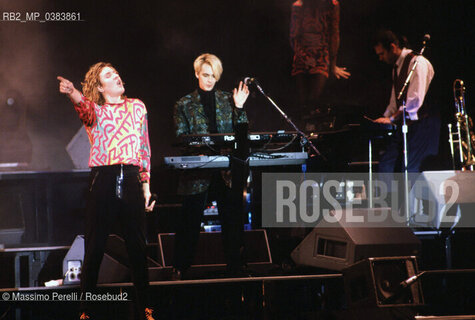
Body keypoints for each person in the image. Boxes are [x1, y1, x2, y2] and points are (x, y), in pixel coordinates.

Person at [57, 62, 156, 320]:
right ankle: (86, 311)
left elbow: (144, 148)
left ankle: (146, 308)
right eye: (109, 76)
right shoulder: (96, 112)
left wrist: (146, 186)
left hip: (132, 179)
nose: (117, 77)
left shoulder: (137, 106)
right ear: (101, 87)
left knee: (137, 248)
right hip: (104, 180)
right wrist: (71, 92)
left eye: (116, 73)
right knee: (95, 248)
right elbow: (84, 106)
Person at [172, 53, 250, 279]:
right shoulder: (184, 104)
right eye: (206, 75)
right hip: (198, 173)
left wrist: (239, 107)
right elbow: (181, 137)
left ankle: (236, 268)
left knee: (233, 221)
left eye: (214, 76)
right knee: (189, 223)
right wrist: (203, 148)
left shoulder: (229, 99)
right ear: (197, 73)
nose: (209, 80)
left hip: (225, 172)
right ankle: (180, 269)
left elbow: (242, 134)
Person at [373, 30, 440, 174]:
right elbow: (394, 101)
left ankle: (405, 196)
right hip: (406, 125)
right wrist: (384, 119)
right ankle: (389, 196)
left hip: (423, 124)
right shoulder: (397, 68)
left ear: (392, 47)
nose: (380, 58)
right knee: (386, 165)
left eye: (381, 54)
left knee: (411, 170)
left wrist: (390, 119)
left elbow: (414, 102)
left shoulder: (417, 62)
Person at [290, 0, 350, 120]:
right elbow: (293, 37)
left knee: (314, 101)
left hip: (321, 55)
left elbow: (334, 34)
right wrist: (305, 58)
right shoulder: (299, 5)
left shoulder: (332, 5)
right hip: (302, 54)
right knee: (302, 103)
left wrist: (332, 64)